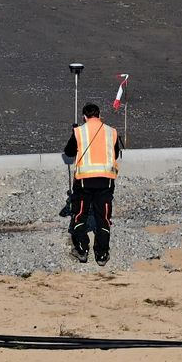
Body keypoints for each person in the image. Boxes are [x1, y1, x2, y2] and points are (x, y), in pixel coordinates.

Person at [62, 101, 122, 264]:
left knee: (80, 214)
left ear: (84, 117)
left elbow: (68, 152)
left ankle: (82, 250)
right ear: (99, 115)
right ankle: (102, 254)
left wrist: (73, 133)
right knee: (103, 217)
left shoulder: (79, 132)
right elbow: (115, 154)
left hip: (84, 181)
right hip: (106, 180)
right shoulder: (111, 132)